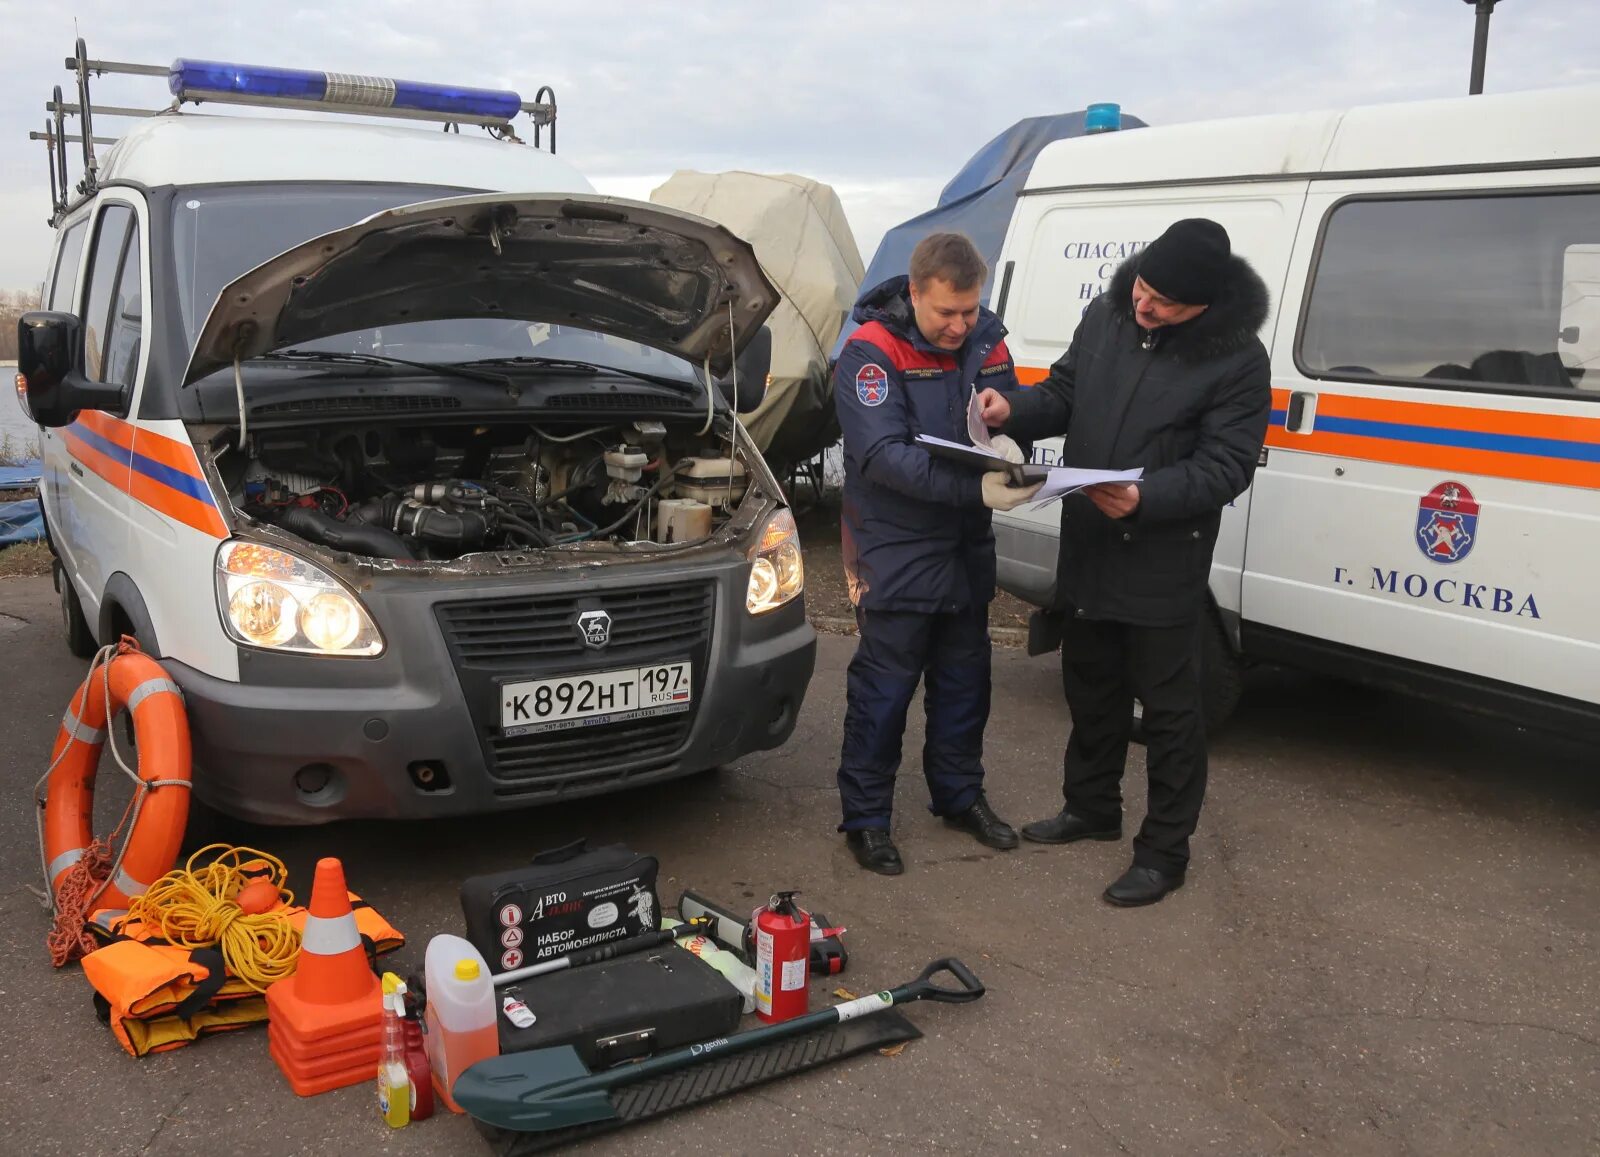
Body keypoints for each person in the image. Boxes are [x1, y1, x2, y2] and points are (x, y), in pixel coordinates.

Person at [977, 218, 1271, 906]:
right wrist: (1009, 409)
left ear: (1202, 305)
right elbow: (1064, 393)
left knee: (1170, 712)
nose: (1144, 305)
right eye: (1142, 288)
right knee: (1091, 684)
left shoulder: (1238, 359)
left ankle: (1164, 851)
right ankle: (1090, 807)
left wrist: (1146, 496)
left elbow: (1226, 466)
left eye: (1163, 302)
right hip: (1090, 538)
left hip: (1162, 551)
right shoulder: (1109, 313)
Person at [832, 232, 1042, 876]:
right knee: (884, 692)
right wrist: (976, 486)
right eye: (945, 312)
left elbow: (1008, 409)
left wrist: (1012, 436)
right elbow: (880, 456)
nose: (958, 326)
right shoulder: (870, 351)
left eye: (969, 311)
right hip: (892, 544)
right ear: (915, 291)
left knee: (964, 686)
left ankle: (959, 797)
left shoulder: (987, 338)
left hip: (964, 546)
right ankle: (866, 820)